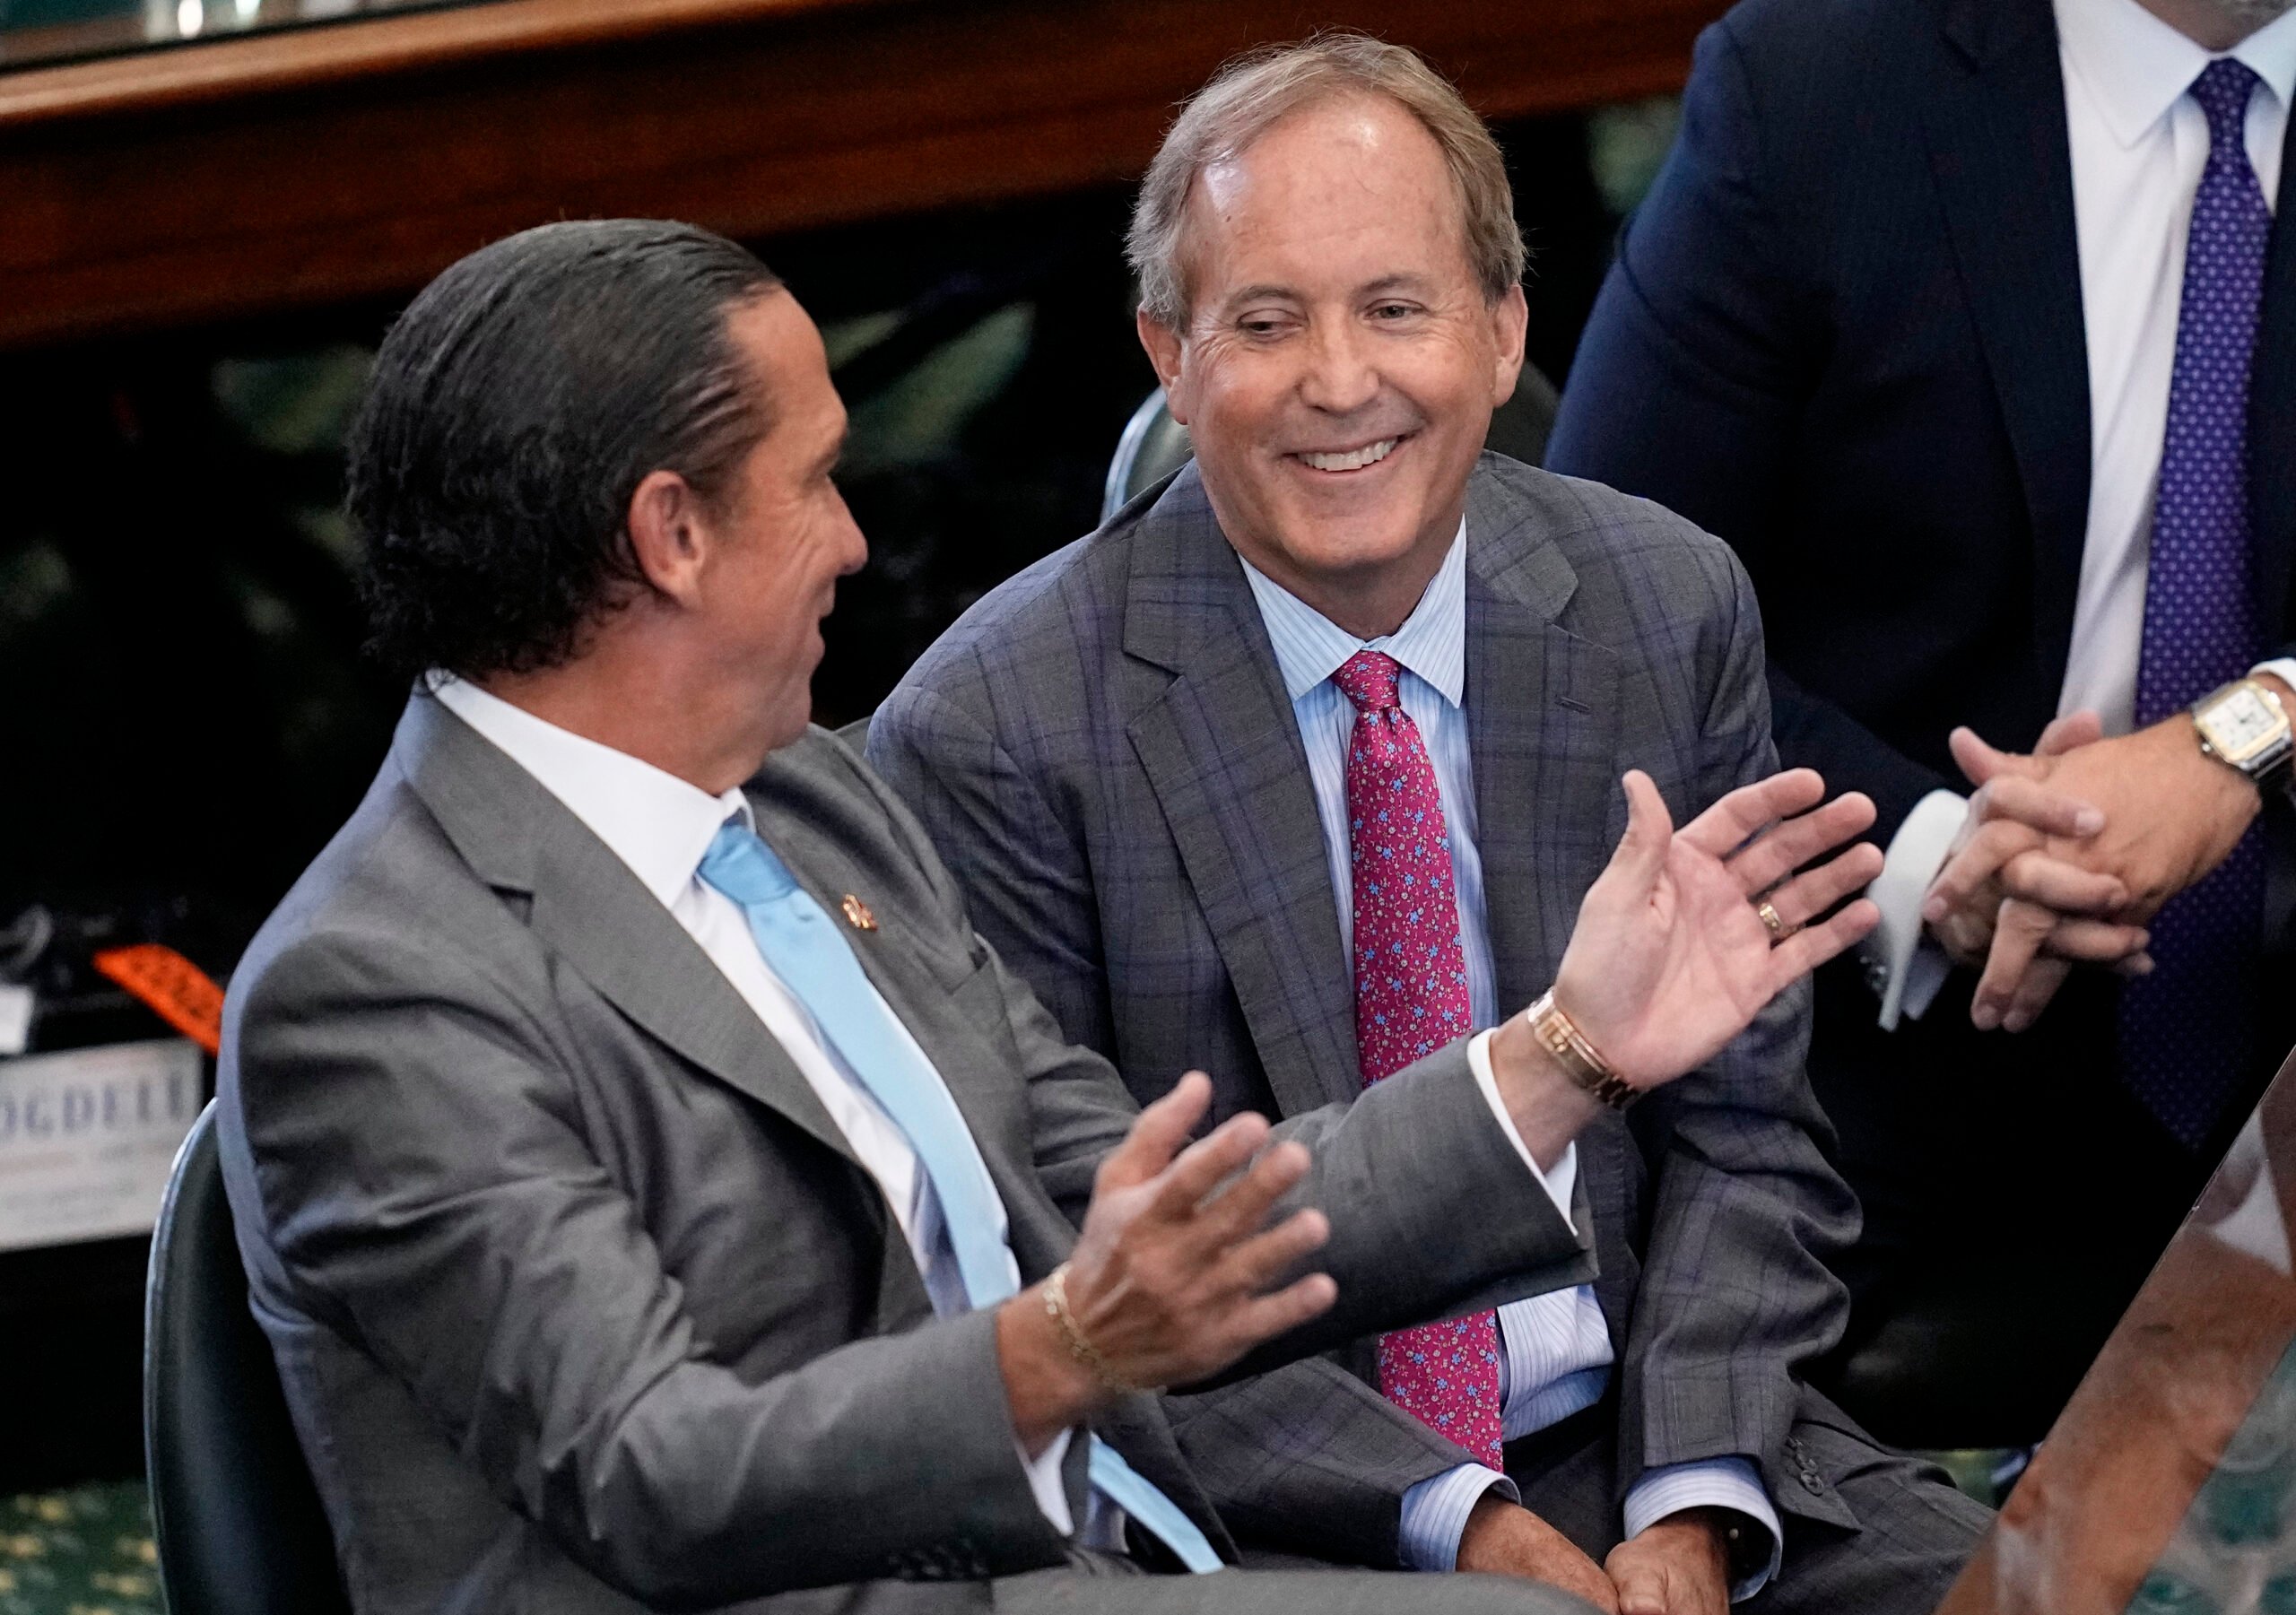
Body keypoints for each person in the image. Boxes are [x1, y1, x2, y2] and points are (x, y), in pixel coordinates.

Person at [215, 217, 1882, 1615]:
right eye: (818, 484)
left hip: (1096, 1561)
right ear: (672, 534)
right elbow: (657, 1469)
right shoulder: (379, 987)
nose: (860, 544)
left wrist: (1560, 1060)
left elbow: (1126, 1192)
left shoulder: (805, 800)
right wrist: (1062, 1347)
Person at [866, 36, 1988, 1615]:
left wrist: (1691, 1496)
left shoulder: (1662, 604)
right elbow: (1081, 1292)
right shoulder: (995, 729)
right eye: (1265, 322)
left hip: (1664, 1437)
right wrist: (1457, 1524)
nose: (1341, 380)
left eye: (1396, 307)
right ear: (1166, 356)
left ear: (1504, 325)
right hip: (1281, 1506)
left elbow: (1748, 1142)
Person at [1544, 0, 2296, 1440]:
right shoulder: (1822, 81)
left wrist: (2246, 732)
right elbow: (1596, 602)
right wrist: (1939, 857)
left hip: (2275, 981)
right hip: (1872, 999)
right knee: (1662, 1442)